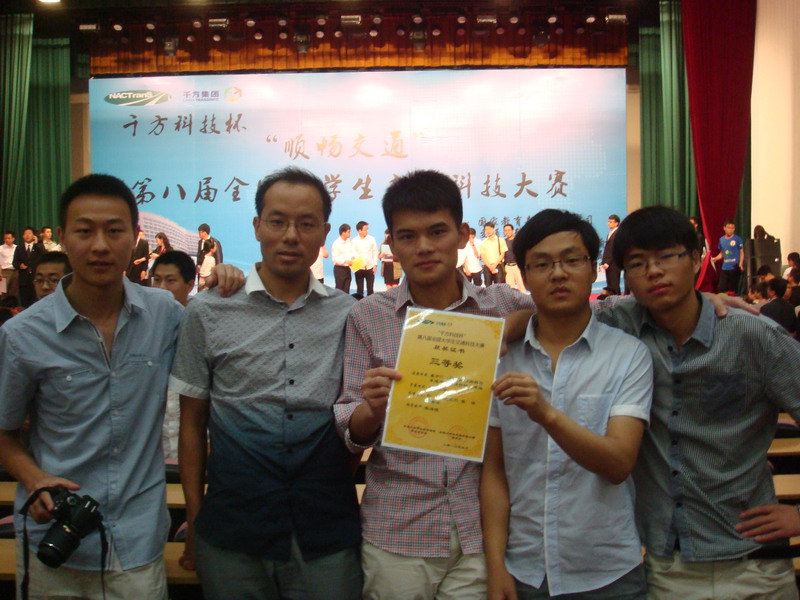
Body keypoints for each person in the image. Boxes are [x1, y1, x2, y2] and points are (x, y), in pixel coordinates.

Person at [333, 170, 533, 600]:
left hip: (482, 532)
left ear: (462, 235)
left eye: (437, 232)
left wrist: (514, 325)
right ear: (391, 243)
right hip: (398, 531)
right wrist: (372, 409)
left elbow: (565, 312)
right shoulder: (368, 316)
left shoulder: (501, 304)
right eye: (408, 236)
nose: (423, 247)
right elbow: (350, 430)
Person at [171, 167, 362, 600]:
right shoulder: (208, 311)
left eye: (306, 224)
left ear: (324, 233)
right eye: (277, 221)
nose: (291, 236)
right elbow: (191, 425)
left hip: (325, 530)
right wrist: (195, 519)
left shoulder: (349, 314)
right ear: (257, 226)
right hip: (233, 529)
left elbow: (352, 417)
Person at [0, 174, 185, 599]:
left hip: (137, 543)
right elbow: (4, 433)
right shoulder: (23, 334)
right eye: (84, 231)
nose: (100, 245)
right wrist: (35, 478)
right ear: (64, 238)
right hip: (55, 542)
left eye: (114, 231)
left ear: (134, 238)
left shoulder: (165, 315)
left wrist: (231, 282)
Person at [601, 206, 800, 600]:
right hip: (668, 569)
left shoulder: (754, 337)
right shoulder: (621, 326)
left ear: (695, 259)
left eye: (666, 256)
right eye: (637, 263)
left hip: (755, 567)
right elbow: (539, 317)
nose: (653, 271)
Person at [481, 209, 653, 599]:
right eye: (542, 264)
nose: (558, 274)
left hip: (607, 572)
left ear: (593, 269)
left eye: (572, 260)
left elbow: (618, 463)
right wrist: (496, 567)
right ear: (525, 277)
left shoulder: (628, 356)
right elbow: (493, 472)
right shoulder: (501, 358)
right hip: (523, 570)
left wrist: (545, 414)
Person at [13, 226, 44, 307]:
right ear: (23, 236)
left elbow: (44, 257)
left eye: (29, 233)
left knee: (36, 302)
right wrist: (20, 265)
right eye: (25, 234)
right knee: (24, 303)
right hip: (23, 280)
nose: (27, 235)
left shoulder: (38, 247)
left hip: (36, 279)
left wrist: (37, 244)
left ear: (33, 236)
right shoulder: (19, 248)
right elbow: (14, 263)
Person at [712, 219, 744, 294]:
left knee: (732, 290)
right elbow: (722, 253)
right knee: (721, 288)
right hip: (725, 267)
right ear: (724, 228)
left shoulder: (737, 239)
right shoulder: (721, 240)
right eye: (729, 228)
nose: (731, 230)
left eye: (733, 228)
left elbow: (741, 252)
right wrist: (715, 258)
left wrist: (740, 264)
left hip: (734, 268)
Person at [352, 221, 378, 297]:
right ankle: (360, 303)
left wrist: (375, 265)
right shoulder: (354, 241)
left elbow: (375, 251)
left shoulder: (371, 239)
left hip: (370, 267)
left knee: (370, 289)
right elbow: (352, 254)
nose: (367, 231)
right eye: (365, 229)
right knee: (359, 290)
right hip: (359, 268)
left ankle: (370, 304)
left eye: (367, 229)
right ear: (359, 230)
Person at [480, 222, 508, 286]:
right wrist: (490, 267)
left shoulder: (500, 240)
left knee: (498, 286)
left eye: (489, 229)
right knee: (488, 286)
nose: (488, 231)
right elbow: (482, 256)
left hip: (498, 265)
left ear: (494, 229)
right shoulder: (483, 242)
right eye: (486, 229)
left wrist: (494, 265)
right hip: (487, 266)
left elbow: (502, 254)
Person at [600, 214, 621, 295]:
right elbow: (607, 250)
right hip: (608, 263)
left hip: (614, 263)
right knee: (610, 284)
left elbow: (614, 250)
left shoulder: (618, 233)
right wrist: (603, 263)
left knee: (614, 284)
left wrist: (607, 262)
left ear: (616, 223)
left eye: (611, 222)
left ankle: (618, 300)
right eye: (608, 222)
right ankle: (613, 299)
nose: (608, 223)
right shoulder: (609, 233)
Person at [502, 223, 525, 293]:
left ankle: (524, 299)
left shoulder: (518, 241)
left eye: (509, 230)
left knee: (521, 287)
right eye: (505, 230)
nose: (507, 232)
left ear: (513, 231)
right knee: (510, 289)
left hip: (517, 267)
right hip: (508, 267)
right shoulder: (503, 242)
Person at [332, 223, 354, 293]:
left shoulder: (349, 241)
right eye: (348, 232)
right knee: (339, 290)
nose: (350, 233)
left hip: (348, 268)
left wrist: (352, 257)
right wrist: (345, 261)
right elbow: (335, 259)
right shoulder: (336, 243)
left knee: (347, 290)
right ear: (343, 233)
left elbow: (351, 252)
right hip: (340, 269)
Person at [0, 230, 17, 300]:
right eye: (5, 238)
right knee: (3, 292)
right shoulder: (1, 248)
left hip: (15, 272)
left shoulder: (17, 248)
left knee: (14, 291)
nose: (7, 240)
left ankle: (13, 306)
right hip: (4, 272)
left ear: (13, 239)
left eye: (9, 238)